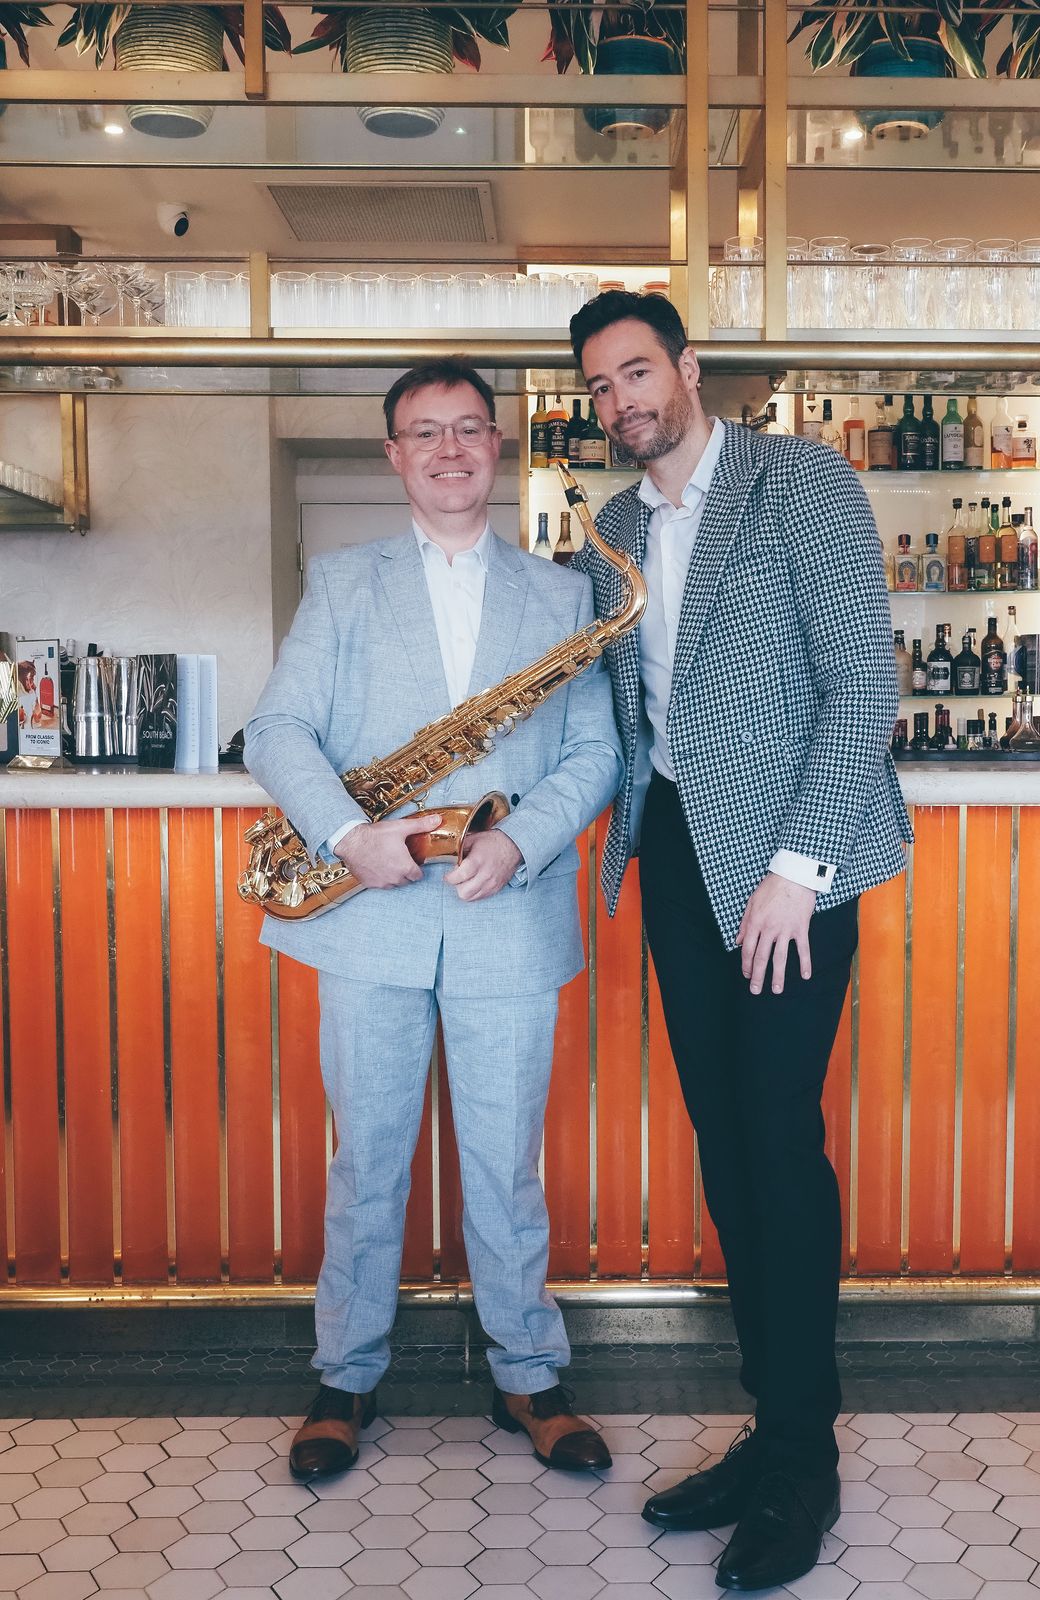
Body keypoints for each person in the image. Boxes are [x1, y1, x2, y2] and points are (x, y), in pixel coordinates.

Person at [569, 292, 912, 1592]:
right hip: (674, 857)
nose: (621, 401)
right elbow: (619, 712)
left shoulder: (799, 483)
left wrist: (798, 870)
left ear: (687, 366)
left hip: (789, 871)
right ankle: (773, 1427)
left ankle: (804, 1461)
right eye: (600, 386)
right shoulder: (612, 530)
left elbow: (861, 684)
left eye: (636, 371)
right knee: (726, 1143)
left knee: (777, 1142)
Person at [244, 358, 622, 1482]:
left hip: (508, 906)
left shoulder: (564, 595)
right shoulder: (342, 582)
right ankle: (345, 1375)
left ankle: (529, 1374)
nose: (449, 449)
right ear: (394, 454)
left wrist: (523, 839)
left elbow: (597, 751)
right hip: (370, 912)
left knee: (505, 1165)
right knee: (367, 1162)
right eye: (426, 432)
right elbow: (277, 731)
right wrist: (346, 835)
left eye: (468, 428)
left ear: (496, 446)